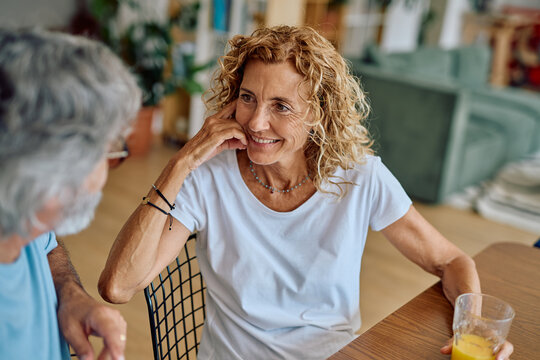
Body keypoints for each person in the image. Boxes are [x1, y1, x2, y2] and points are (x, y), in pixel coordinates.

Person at [99, 26, 513, 359]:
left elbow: (450, 260)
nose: (257, 122)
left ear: (317, 113)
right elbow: (117, 287)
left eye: (281, 105)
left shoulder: (359, 177)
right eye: (248, 98)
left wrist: (474, 328)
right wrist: (182, 162)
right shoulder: (208, 177)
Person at [0, 28, 141, 359]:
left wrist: (69, 292)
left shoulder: (23, 214)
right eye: (109, 150)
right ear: (53, 172)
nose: (108, 167)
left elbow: (48, 248)